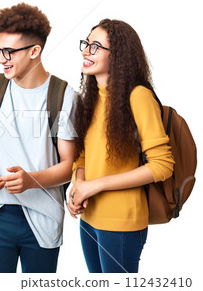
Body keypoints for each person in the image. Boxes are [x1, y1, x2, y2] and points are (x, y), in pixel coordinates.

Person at [0, 3, 77, 273]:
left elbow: (69, 165)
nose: (0, 59)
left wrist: (31, 181)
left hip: (43, 218)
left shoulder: (64, 95)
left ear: (34, 51)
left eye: (9, 52)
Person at [67, 19, 174, 273]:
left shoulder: (138, 97)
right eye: (86, 44)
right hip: (89, 220)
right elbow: (82, 156)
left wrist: (95, 185)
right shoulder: (91, 97)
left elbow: (162, 165)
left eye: (95, 47)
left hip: (121, 223)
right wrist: (78, 185)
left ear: (117, 56)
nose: (85, 51)